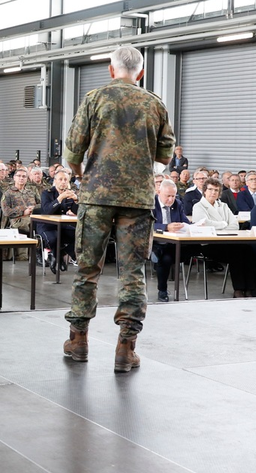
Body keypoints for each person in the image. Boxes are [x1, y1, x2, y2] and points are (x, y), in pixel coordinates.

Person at [62, 45, 175, 373]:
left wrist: (82, 175)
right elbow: (165, 156)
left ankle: (78, 341)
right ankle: (126, 348)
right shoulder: (154, 104)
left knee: (87, 269)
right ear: (141, 72)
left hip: (96, 196)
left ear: (111, 70)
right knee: (132, 273)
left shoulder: (94, 99)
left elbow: (73, 151)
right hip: (137, 199)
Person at [188, 178, 256, 297]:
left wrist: (218, 226)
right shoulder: (198, 206)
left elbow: (235, 225)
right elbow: (204, 225)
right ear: (204, 191)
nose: (213, 192)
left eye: (216, 190)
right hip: (209, 244)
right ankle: (238, 289)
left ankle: (249, 288)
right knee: (236, 253)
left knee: (248, 249)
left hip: (228, 240)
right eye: (210, 189)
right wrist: (224, 224)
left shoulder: (223, 205)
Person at [39, 170, 78, 273]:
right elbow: (47, 211)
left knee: (79, 234)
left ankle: (61, 252)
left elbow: (76, 212)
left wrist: (76, 200)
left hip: (62, 225)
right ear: (55, 181)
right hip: (47, 225)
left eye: (65, 180)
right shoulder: (46, 193)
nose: (63, 182)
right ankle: (58, 257)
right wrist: (60, 198)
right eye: (60, 179)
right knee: (54, 238)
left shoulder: (69, 193)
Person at [0, 167, 39, 261]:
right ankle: (33, 254)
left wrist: (33, 208)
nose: (21, 178)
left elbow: (41, 204)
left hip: (32, 217)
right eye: (19, 176)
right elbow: (6, 211)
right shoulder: (8, 193)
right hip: (16, 220)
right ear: (14, 178)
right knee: (32, 224)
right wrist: (23, 211)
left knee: (42, 224)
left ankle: (42, 253)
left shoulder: (31, 192)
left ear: (27, 178)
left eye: (24, 176)